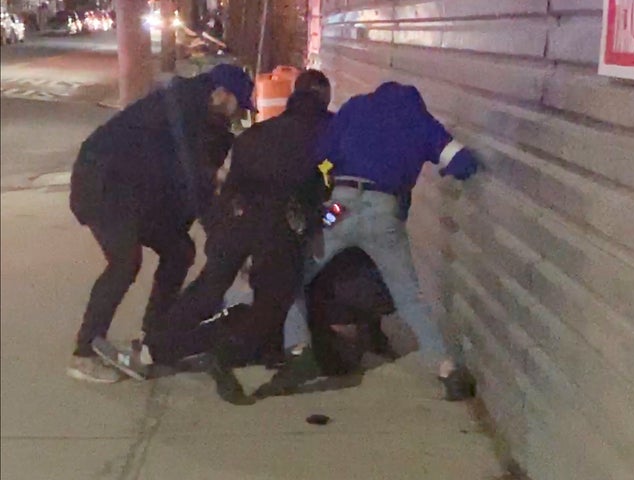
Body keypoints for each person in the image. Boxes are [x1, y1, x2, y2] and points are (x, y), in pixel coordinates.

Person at [92, 70, 335, 403]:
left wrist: (222, 231)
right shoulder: (327, 136)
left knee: (206, 290)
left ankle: (149, 350)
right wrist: (322, 220)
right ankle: (242, 351)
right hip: (278, 229)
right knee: (268, 307)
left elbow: (229, 183)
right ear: (324, 102)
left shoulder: (257, 134)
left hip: (237, 220)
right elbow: (323, 188)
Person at [282, 81, 483, 401]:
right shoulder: (419, 120)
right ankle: (448, 368)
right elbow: (463, 164)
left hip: (339, 206)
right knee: (408, 297)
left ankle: (297, 349)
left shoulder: (354, 108)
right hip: (384, 213)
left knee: (292, 274)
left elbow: (321, 154)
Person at [67, 64, 256, 383]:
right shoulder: (184, 109)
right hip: (103, 184)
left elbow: (190, 183)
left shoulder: (206, 119)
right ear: (221, 94)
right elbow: (198, 185)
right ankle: (84, 352)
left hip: (135, 193)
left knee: (179, 249)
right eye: (238, 104)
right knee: (125, 262)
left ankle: (155, 335)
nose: (238, 115)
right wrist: (225, 243)